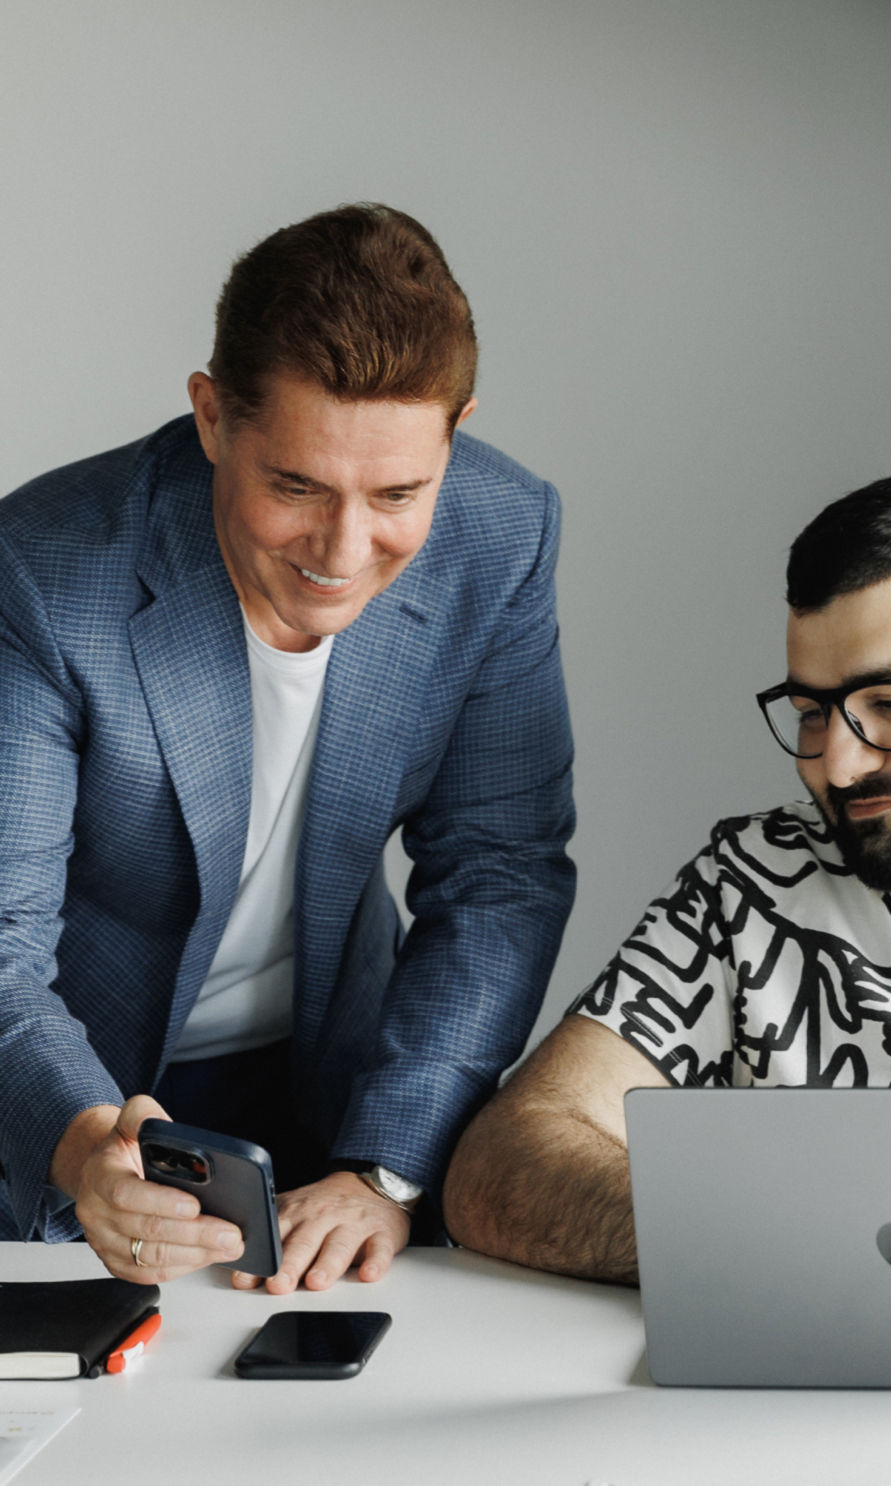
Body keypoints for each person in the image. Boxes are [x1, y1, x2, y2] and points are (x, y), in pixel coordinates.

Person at [0, 203, 575, 1292]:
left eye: (398, 493)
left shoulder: (502, 535)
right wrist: (82, 1151)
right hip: (66, 1081)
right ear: (213, 417)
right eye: (296, 486)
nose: (344, 553)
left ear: (455, 434)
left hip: (334, 1075)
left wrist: (388, 1166)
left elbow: (499, 874)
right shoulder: (41, 568)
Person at [443, 470, 891, 1284]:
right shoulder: (755, 881)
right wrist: (811, 1256)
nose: (839, 765)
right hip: (794, 1368)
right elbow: (501, 1165)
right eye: (813, 712)